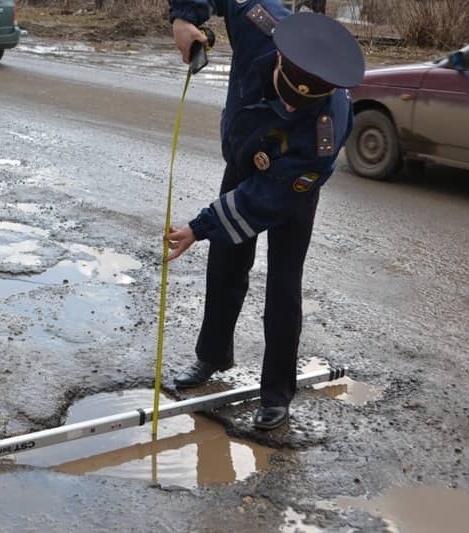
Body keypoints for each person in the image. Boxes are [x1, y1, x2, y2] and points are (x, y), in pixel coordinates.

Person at [166, 0, 365, 429]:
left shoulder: (324, 133)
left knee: (283, 284)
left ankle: (277, 393)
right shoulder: (262, 24)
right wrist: (185, 19)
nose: (289, 111)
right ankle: (213, 356)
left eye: (300, 107)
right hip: (243, 161)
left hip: (290, 188)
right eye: (283, 97)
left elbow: (265, 198)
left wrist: (199, 227)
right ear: (278, 58)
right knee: (225, 262)